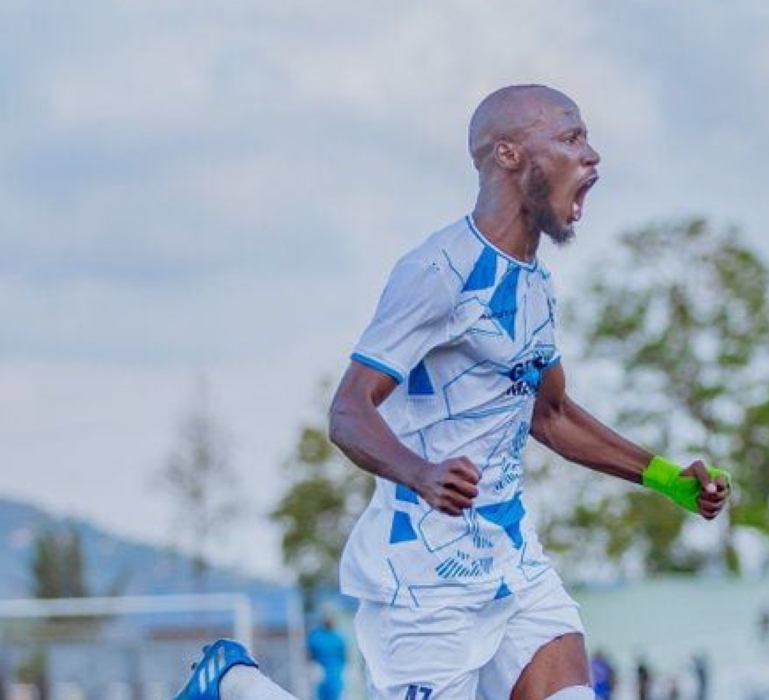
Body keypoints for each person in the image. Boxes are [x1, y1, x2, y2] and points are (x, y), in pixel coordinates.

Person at [166, 84, 731, 700]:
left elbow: (552, 414)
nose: (591, 155)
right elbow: (348, 409)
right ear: (510, 155)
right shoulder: (438, 273)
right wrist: (422, 473)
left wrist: (665, 478)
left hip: (513, 564)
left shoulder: (536, 286)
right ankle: (238, 686)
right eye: (571, 137)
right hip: (424, 580)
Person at [306, 613, 346, 700]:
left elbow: (344, 655)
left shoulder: (338, 637)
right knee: (318, 694)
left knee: (335, 693)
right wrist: (311, 666)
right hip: (320, 670)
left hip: (335, 671)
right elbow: (308, 653)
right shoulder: (315, 636)